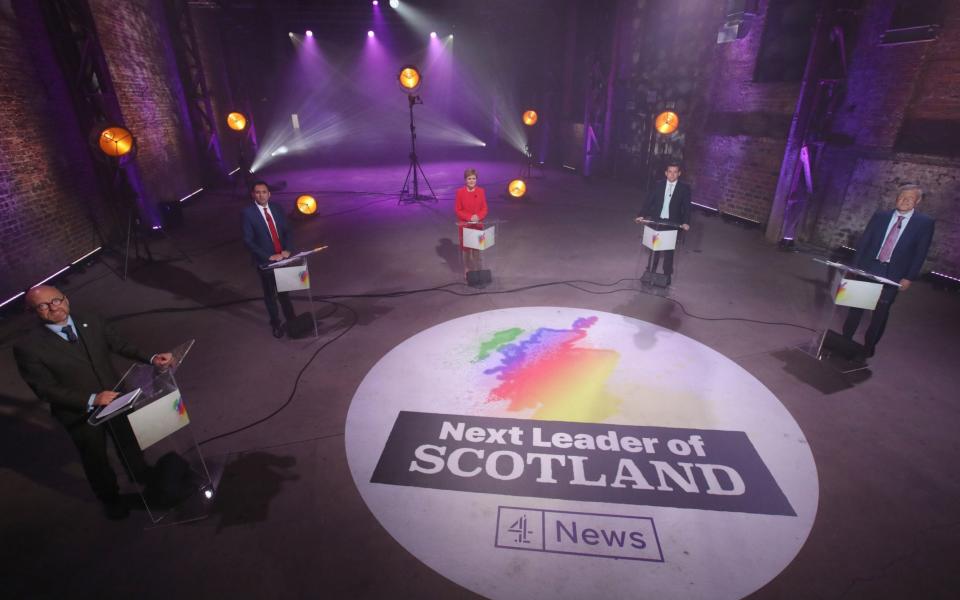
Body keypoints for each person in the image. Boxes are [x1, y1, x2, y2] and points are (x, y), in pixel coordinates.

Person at [13, 286, 173, 520]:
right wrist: (91, 399)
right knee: (95, 458)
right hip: (79, 413)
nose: (53, 307)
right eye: (43, 306)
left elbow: (120, 345)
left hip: (117, 399)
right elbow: (44, 389)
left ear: (66, 299)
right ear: (32, 312)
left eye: (56, 300)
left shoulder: (91, 320)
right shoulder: (28, 346)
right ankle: (110, 499)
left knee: (128, 441)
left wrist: (151, 359)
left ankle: (139, 473)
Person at [842, 184, 935, 357]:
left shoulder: (925, 223)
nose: (904, 201)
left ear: (918, 201)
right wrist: (854, 266)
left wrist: (909, 277)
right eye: (902, 196)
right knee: (856, 307)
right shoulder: (880, 216)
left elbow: (920, 252)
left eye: (910, 198)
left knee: (880, 313)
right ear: (896, 197)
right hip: (868, 267)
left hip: (893, 274)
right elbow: (864, 242)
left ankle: (868, 347)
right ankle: (844, 340)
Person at [241, 180, 297, 338]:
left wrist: (288, 249)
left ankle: (292, 320)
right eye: (257, 192)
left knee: (284, 292)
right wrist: (268, 256)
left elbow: (288, 231)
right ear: (253, 195)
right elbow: (248, 240)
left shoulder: (277, 208)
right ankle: (276, 323)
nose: (261, 195)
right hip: (265, 262)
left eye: (264, 192)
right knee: (270, 295)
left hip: (283, 259)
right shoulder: (248, 213)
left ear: (269, 194)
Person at [635, 160, 692, 285]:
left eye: (675, 172)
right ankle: (650, 271)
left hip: (672, 223)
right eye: (670, 172)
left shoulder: (684, 189)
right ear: (666, 173)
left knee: (668, 251)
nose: (672, 175)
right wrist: (641, 215)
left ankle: (667, 275)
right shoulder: (658, 185)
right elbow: (649, 201)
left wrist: (686, 222)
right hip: (657, 221)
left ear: (679, 174)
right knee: (654, 248)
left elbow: (687, 207)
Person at [454, 168, 488, 279]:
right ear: (465, 180)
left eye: (474, 178)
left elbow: (484, 208)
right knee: (467, 252)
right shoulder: (460, 192)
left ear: (476, 179)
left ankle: (478, 270)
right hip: (465, 226)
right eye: (469, 178)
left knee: (477, 251)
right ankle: (467, 270)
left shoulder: (481, 191)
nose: (471, 181)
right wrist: (469, 217)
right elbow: (458, 210)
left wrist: (478, 216)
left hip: (478, 226)